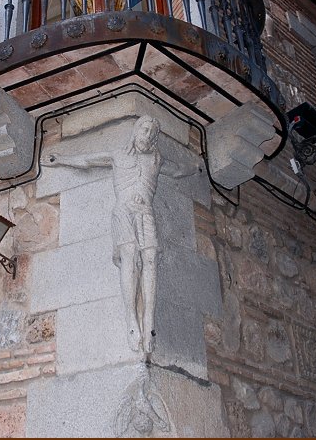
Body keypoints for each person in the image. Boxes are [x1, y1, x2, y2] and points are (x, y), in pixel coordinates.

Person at [44, 115, 201, 353]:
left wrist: (196, 167)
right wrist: (62, 159)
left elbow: (178, 170)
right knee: (129, 255)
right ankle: (131, 321)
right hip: (123, 211)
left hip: (145, 211)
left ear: (154, 137)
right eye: (144, 129)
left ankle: (149, 321)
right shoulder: (118, 154)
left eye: (151, 132)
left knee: (150, 260)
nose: (146, 135)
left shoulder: (156, 159)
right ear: (136, 131)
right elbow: (88, 160)